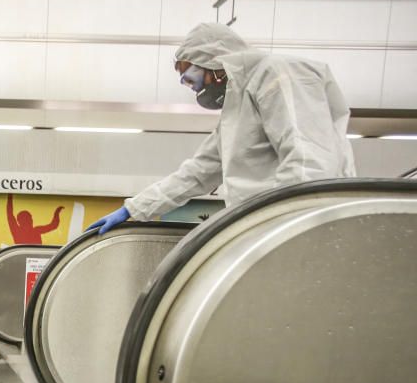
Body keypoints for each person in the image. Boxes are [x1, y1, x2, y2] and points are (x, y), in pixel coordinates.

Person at [88, 22, 356, 235]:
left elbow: (309, 161)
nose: (192, 88)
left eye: (190, 77)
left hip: (300, 228)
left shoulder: (277, 74)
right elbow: (198, 172)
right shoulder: (236, 108)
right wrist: (133, 208)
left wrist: (282, 228)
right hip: (265, 228)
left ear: (215, 63)